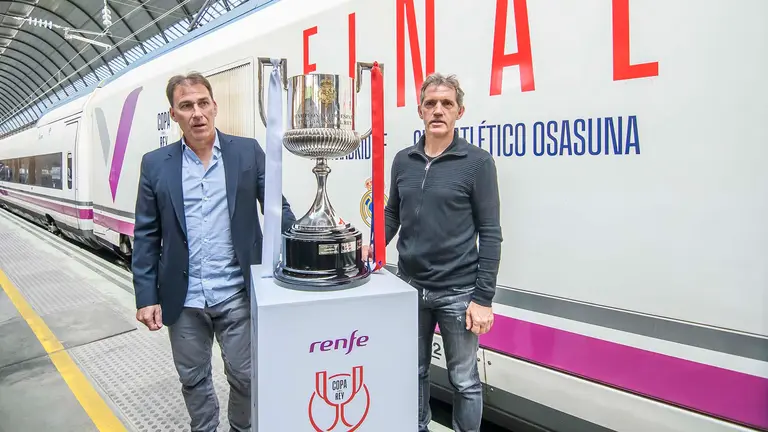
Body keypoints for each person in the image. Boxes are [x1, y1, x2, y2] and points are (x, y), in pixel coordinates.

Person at [131, 72, 296, 432]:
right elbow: (146, 234)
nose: (197, 113)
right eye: (186, 106)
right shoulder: (155, 164)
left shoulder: (247, 152)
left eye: (203, 103)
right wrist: (146, 296)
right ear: (173, 114)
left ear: (215, 106)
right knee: (193, 380)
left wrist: (303, 249)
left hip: (237, 292)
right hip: (183, 297)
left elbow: (277, 208)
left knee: (247, 377)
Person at [365, 73, 502, 432]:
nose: (438, 110)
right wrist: (374, 245)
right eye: (431, 104)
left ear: (459, 112)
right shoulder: (403, 160)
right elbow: (392, 213)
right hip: (409, 287)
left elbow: (490, 233)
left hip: (458, 292)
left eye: (446, 104)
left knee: (464, 381)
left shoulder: (478, 163)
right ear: (420, 111)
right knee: (413, 371)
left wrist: (483, 299)